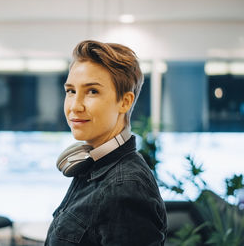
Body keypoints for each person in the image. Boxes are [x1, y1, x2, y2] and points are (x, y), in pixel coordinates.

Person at [45, 40, 167, 245]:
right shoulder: (94, 165)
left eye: (92, 91)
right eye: (71, 91)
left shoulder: (125, 188)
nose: (75, 106)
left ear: (125, 101)